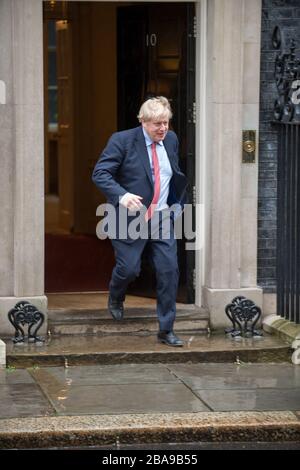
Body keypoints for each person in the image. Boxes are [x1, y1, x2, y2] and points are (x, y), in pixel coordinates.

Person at [92, 96, 188, 347]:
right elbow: (100, 173)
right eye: (157, 123)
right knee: (129, 269)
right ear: (143, 122)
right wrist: (121, 195)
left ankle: (166, 330)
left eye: (166, 123)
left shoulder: (171, 139)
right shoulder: (122, 141)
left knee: (168, 270)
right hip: (128, 217)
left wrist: (176, 205)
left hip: (162, 216)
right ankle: (116, 295)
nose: (163, 129)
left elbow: (171, 173)